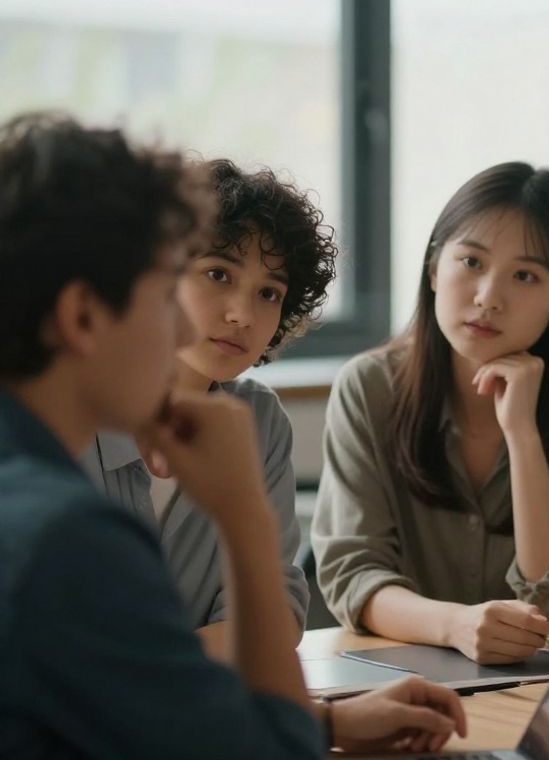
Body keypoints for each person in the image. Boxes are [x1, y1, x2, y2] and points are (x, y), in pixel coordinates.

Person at [0, 112, 467, 756]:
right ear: (82, 314)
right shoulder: (63, 533)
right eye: (167, 295)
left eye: (270, 293)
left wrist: (327, 723)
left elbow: (130, 721)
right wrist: (244, 517)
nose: (190, 332)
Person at [312, 162, 549, 664]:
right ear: (434, 268)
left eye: (525, 275)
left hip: (534, 685)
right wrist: (455, 625)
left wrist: (522, 435)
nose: (488, 298)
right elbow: (352, 577)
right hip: (398, 673)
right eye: (471, 262)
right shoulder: (370, 387)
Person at [80, 158, 335, 656]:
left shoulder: (259, 421)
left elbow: (276, 613)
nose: (242, 314)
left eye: (269, 293)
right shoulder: (67, 415)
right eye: (217, 273)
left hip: (201, 716)